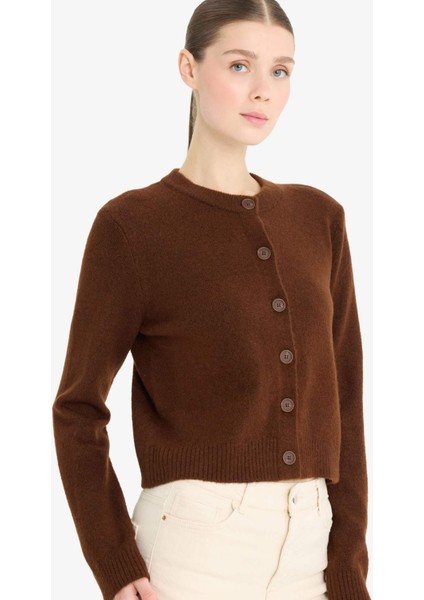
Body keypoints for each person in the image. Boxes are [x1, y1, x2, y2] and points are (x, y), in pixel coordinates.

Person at [52, 1, 372, 599]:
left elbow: (345, 402)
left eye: (280, 70)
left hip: (312, 546)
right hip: (193, 549)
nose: (262, 90)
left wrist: (350, 565)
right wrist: (114, 562)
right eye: (239, 65)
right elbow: (77, 410)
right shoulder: (132, 227)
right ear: (189, 68)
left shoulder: (319, 218)